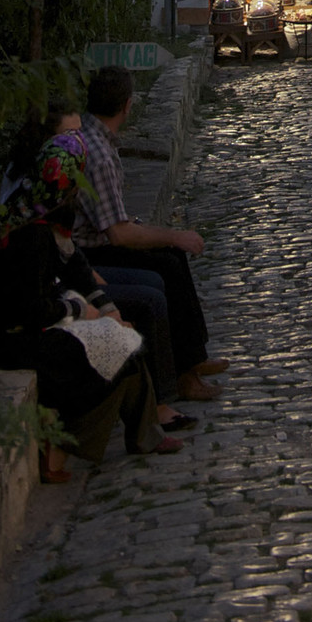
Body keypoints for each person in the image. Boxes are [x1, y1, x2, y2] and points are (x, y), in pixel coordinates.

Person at [0, 138, 181, 474]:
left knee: (126, 340)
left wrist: (108, 310)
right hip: (10, 339)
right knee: (120, 353)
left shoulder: (37, 212)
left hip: (30, 325)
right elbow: (32, 309)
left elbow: (75, 267)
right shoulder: (31, 235)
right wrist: (83, 313)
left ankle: (146, 433)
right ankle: (66, 445)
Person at [4, 105, 188, 426]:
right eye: (69, 137)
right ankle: (147, 413)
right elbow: (39, 293)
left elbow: (71, 256)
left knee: (141, 299)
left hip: (65, 290)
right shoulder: (30, 210)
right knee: (141, 309)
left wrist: (102, 301)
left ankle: (156, 408)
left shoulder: (57, 192)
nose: (79, 146)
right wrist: (84, 309)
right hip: (29, 323)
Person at [74, 67, 226, 404]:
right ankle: (182, 375)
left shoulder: (95, 138)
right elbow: (118, 235)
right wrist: (173, 235)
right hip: (90, 254)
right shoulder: (98, 155)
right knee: (166, 265)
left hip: (95, 242)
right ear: (127, 106)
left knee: (171, 257)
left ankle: (193, 358)